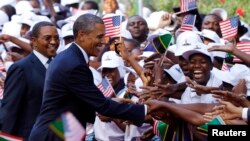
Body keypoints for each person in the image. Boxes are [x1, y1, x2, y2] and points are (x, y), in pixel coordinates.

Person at [29, 14, 147, 141]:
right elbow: (102, 106)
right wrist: (145, 110)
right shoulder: (73, 64)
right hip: (53, 135)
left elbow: (82, 101)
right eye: (99, 37)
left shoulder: (71, 57)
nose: (103, 41)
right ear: (81, 35)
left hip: (61, 131)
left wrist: (110, 103)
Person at [0, 21, 59, 140]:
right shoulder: (21, 68)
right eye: (47, 38)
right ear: (34, 41)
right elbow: (9, 111)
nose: (53, 42)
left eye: (56, 38)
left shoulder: (58, 67)